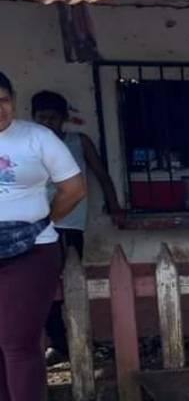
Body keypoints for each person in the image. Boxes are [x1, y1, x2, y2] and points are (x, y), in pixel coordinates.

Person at [0, 71, 86, 401]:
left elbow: (74, 188)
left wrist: (42, 221)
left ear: (13, 100)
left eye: (2, 99)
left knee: (18, 340)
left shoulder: (36, 138)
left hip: (32, 248)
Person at [29, 90, 123, 365]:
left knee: (68, 283)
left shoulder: (77, 143)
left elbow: (102, 176)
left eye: (53, 118)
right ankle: (59, 343)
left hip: (69, 225)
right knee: (43, 288)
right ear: (33, 118)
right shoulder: (24, 146)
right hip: (33, 226)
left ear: (64, 119)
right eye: (41, 117)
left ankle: (71, 342)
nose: (47, 123)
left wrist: (115, 207)